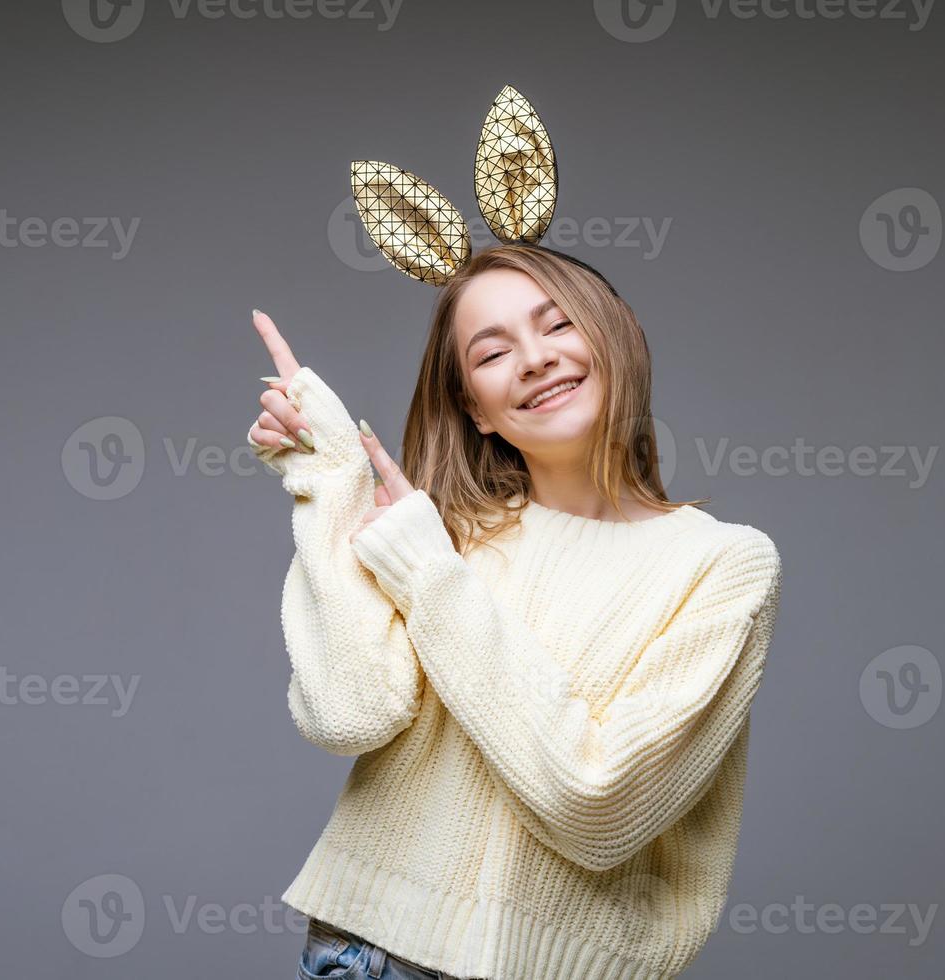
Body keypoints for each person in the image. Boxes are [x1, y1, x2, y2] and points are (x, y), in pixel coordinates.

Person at [246, 243, 783, 980]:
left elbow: (597, 807)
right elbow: (350, 714)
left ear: (618, 333)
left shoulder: (724, 567)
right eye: (492, 353)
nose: (534, 359)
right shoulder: (440, 536)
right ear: (475, 406)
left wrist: (429, 572)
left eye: (558, 324)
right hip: (360, 951)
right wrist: (329, 482)